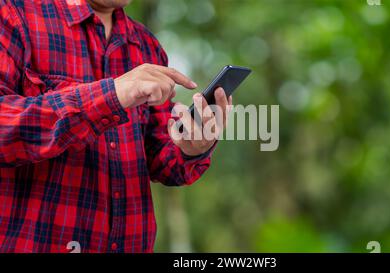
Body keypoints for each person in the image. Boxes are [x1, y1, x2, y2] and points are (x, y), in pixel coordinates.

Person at [0, 0, 230, 253]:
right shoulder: (13, 14)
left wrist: (191, 148)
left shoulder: (146, 45)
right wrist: (111, 95)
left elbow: (161, 160)